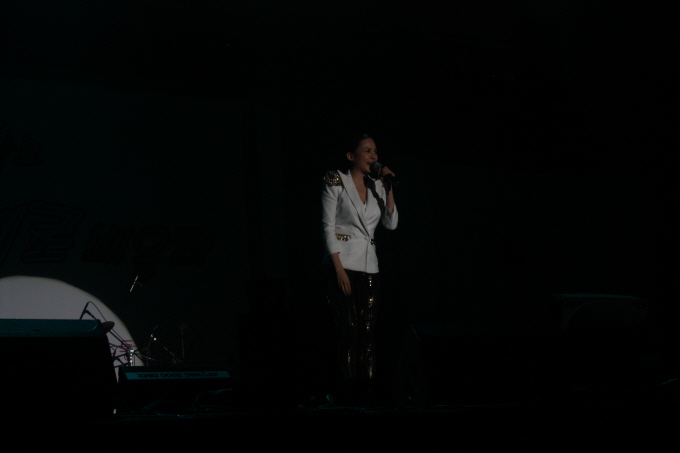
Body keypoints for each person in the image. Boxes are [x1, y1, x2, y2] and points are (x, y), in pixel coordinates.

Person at [321, 133, 398, 405]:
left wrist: (389, 188)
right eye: (367, 151)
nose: (373, 156)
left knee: (367, 332)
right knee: (349, 330)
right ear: (351, 156)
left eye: (375, 151)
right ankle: (347, 390)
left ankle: (368, 391)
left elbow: (390, 224)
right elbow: (327, 226)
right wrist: (338, 270)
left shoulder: (377, 186)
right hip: (342, 265)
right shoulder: (335, 180)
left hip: (369, 266)